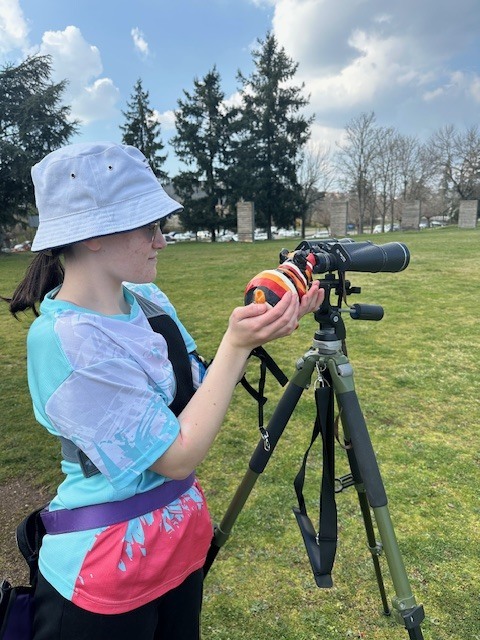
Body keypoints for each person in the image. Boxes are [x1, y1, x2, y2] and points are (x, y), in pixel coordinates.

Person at [5, 141, 324, 640]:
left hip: (180, 549)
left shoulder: (148, 300)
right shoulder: (63, 340)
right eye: (149, 226)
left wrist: (261, 327)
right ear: (94, 234)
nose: (162, 241)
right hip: (104, 579)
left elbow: (197, 394)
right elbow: (176, 456)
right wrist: (237, 344)